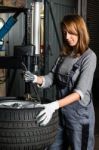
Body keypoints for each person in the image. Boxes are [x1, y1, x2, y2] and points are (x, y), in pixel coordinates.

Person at [24, 14, 97, 150]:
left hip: (79, 119)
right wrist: (35, 78)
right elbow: (52, 77)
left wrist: (54, 105)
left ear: (80, 31)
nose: (67, 37)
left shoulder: (89, 57)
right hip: (61, 115)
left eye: (71, 32)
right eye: (65, 33)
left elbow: (79, 93)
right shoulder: (64, 55)